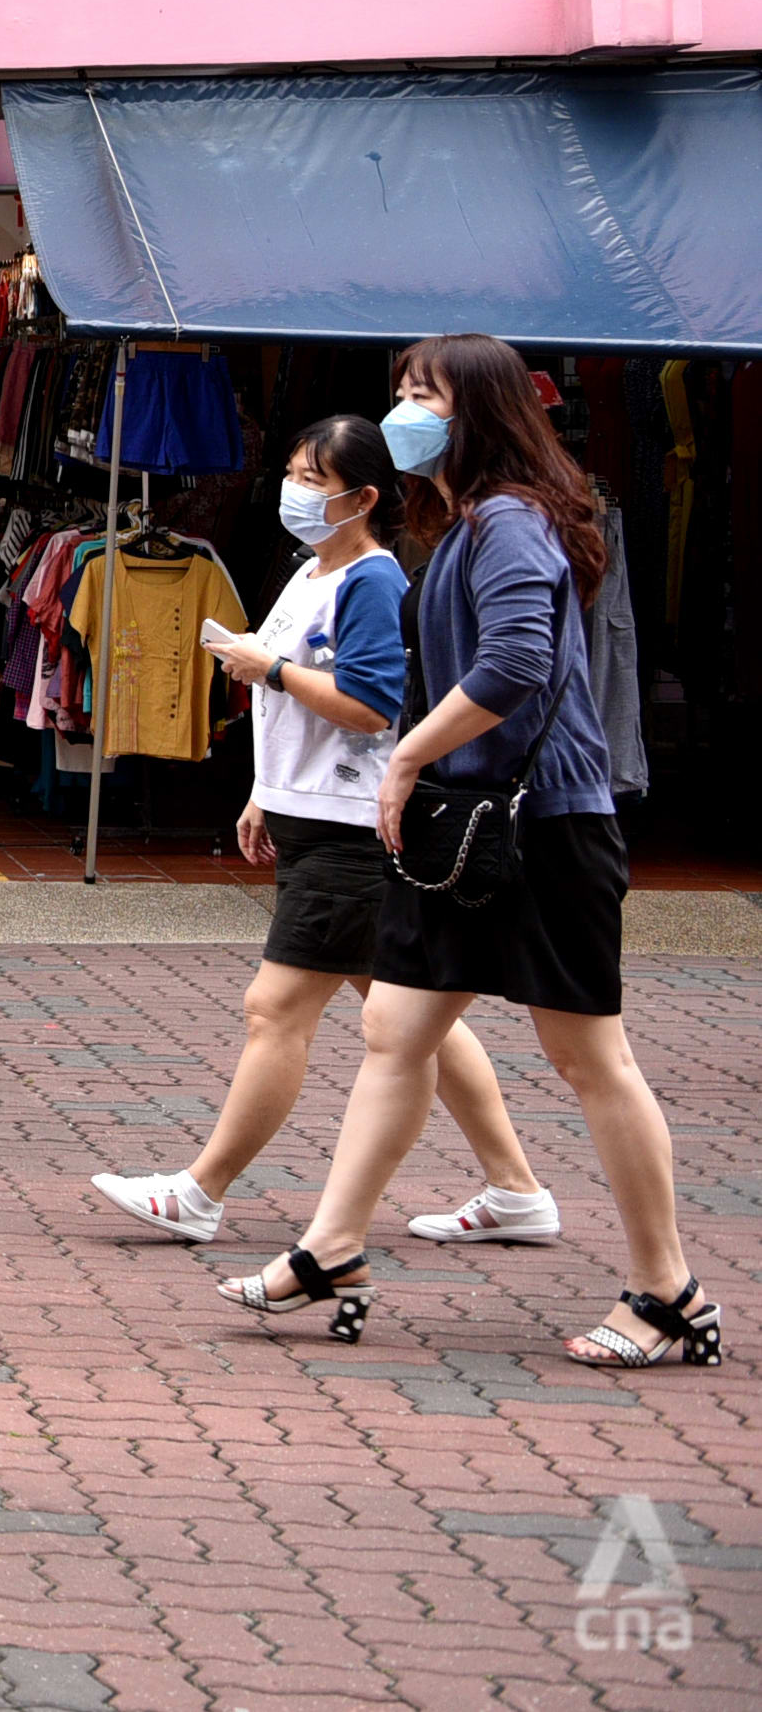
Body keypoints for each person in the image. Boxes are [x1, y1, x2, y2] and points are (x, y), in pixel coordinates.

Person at [219, 336, 717, 1365]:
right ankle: (330, 1247)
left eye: (423, 394)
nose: (402, 411)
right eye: (400, 390)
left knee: (589, 1057)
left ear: (478, 412)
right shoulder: (463, 523)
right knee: (395, 1025)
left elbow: (516, 662)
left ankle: (668, 1290)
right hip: (472, 820)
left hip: (541, 824)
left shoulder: (506, 521)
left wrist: (404, 757)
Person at [85, 415, 547, 1245]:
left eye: (313, 478)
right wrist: (265, 789)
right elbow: (296, 702)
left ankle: (201, 1190)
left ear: (363, 498)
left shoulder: (370, 580)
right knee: (416, 1016)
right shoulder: (312, 570)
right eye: (293, 472)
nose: (294, 491)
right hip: (316, 818)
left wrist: (271, 668)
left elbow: (370, 704)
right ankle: (516, 1187)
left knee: (276, 1009)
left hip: (350, 831)